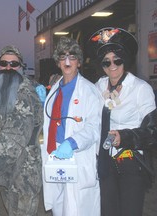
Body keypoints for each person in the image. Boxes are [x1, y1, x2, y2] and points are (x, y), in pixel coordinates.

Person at [88, 27, 157, 216]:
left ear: (124, 60)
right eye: (106, 62)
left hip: (130, 164)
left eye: (117, 60)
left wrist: (124, 136)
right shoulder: (97, 87)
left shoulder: (140, 89)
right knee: (108, 212)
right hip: (104, 164)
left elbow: (153, 131)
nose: (112, 66)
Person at [41, 37, 101, 216]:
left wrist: (73, 142)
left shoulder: (89, 91)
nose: (67, 61)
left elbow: (94, 127)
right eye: (62, 56)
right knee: (59, 206)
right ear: (58, 62)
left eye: (72, 56)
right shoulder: (54, 90)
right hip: (55, 155)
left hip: (76, 154)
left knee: (76, 208)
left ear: (79, 62)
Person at [0, 45, 44, 216]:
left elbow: (13, 137)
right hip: (7, 172)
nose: (8, 68)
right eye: (4, 63)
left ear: (21, 68)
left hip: (23, 174)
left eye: (14, 64)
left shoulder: (24, 93)